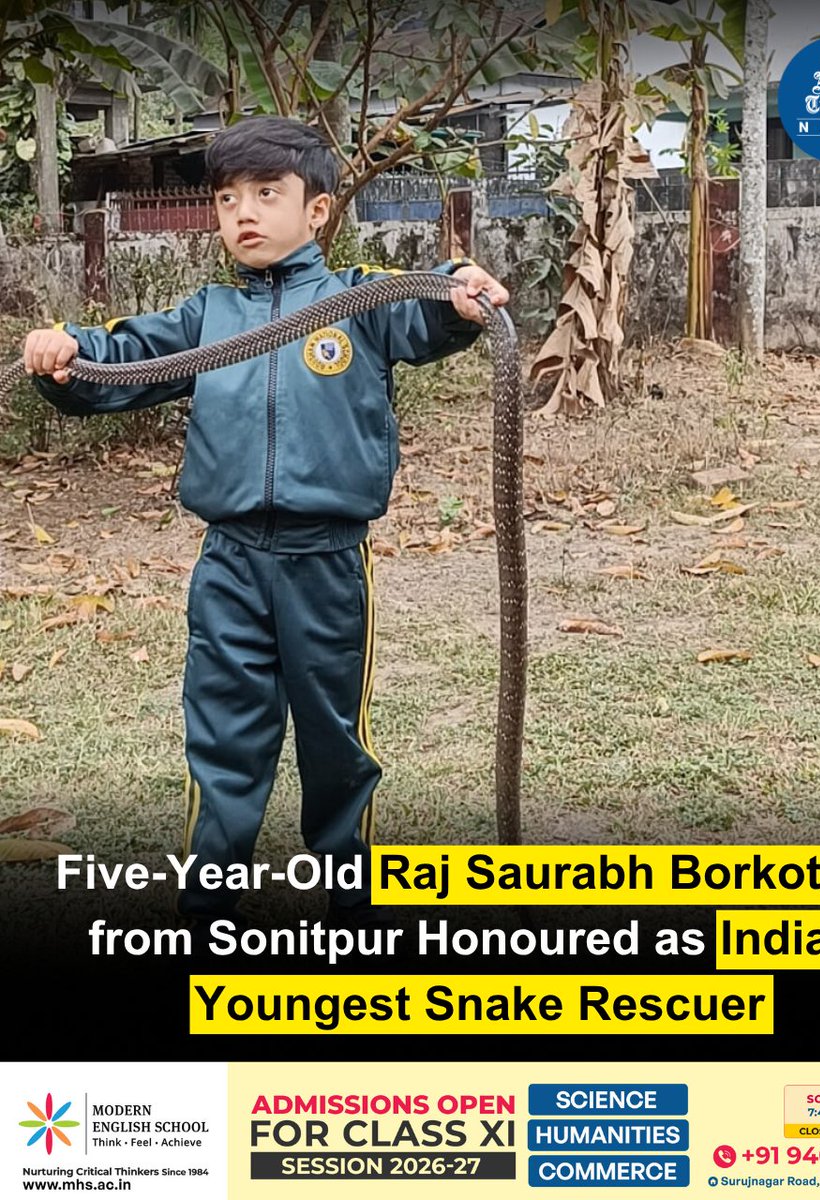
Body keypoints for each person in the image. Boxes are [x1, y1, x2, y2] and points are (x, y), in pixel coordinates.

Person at [25, 116, 509, 931]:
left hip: (327, 565)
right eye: (225, 199)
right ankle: (208, 912)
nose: (241, 212)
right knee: (223, 740)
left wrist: (460, 289)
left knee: (334, 744)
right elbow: (116, 364)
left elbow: (429, 311)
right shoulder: (206, 317)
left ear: (316, 211)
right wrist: (61, 353)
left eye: (265, 193)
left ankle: (352, 907)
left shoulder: (359, 300)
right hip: (229, 565)